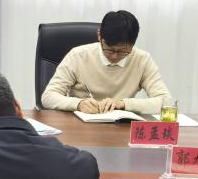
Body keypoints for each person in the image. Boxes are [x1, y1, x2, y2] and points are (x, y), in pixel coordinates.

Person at [41, 10, 171, 115]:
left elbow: (166, 102)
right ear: (99, 36)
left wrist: (123, 104)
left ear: (133, 44)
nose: (114, 56)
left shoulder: (142, 60)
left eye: (122, 51)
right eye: (109, 49)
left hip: (121, 127)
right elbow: (48, 97)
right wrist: (78, 104)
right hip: (82, 125)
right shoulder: (78, 56)